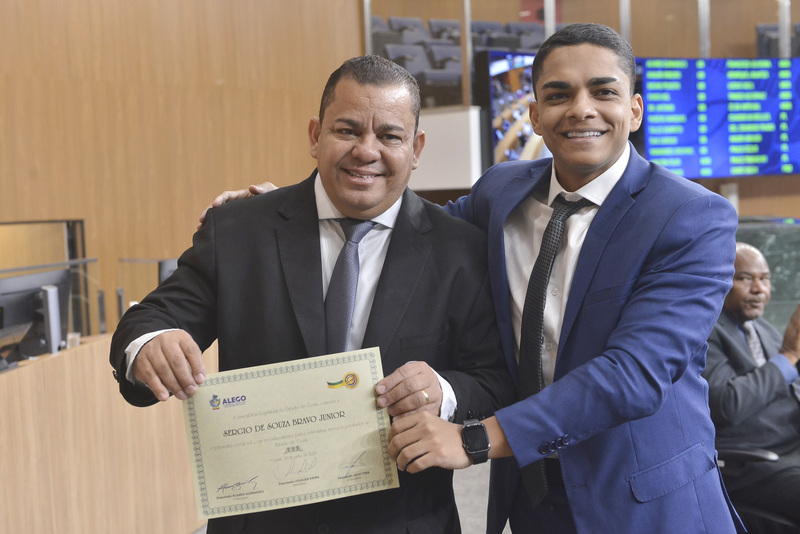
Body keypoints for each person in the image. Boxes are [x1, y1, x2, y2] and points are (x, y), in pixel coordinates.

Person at [205, 24, 745, 534]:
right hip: (531, 499)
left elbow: (635, 373)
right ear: (534, 114)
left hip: (644, 502)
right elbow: (408, 232)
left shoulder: (692, 217)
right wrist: (282, 219)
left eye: (603, 92)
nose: (581, 109)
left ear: (635, 108)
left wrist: (476, 439)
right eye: (558, 94)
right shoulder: (499, 194)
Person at [110, 55, 515, 534]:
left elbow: (496, 380)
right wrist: (149, 345)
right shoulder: (239, 230)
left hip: (401, 521)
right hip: (260, 521)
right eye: (347, 130)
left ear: (416, 148)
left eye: (390, 136)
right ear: (314, 136)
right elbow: (151, 319)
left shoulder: (461, 250)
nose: (366, 151)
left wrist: (444, 392)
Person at [703, 242, 800, 529]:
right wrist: (788, 356)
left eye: (765, 278)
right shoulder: (705, 332)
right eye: (745, 278)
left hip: (791, 449)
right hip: (752, 463)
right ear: (720, 280)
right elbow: (727, 404)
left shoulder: (763, 329)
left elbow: (788, 385)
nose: (759, 289)